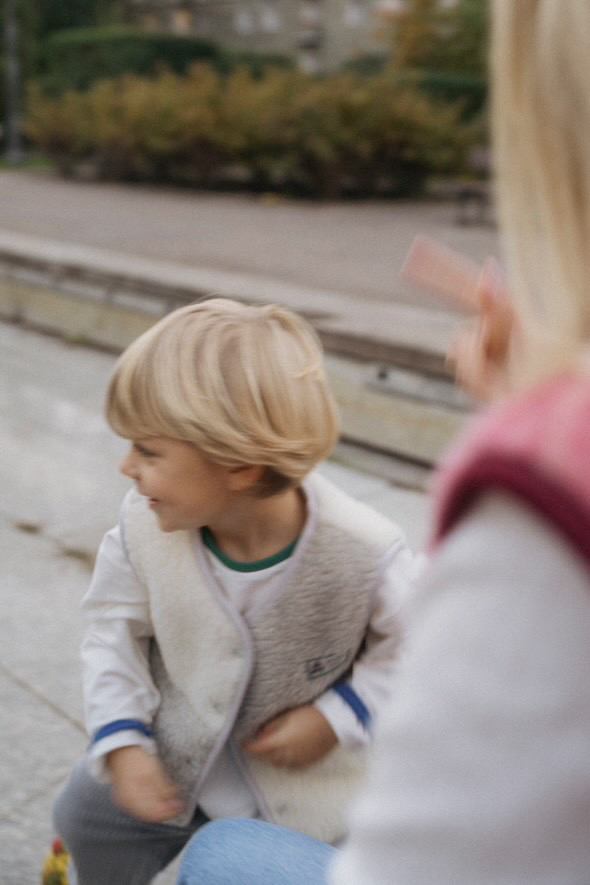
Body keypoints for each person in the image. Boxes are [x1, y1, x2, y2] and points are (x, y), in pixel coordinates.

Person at [176, 1, 590, 882]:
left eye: (149, 449)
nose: (129, 469)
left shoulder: (530, 497)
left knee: (219, 856)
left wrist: (539, 427)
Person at [51, 297, 418, 885]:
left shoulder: (366, 553)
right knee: (84, 812)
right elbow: (113, 634)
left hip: (304, 796)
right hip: (173, 766)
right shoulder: (142, 528)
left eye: (148, 451)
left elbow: (415, 656)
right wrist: (122, 740)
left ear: (239, 465)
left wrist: (336, 717)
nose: (126, 467)